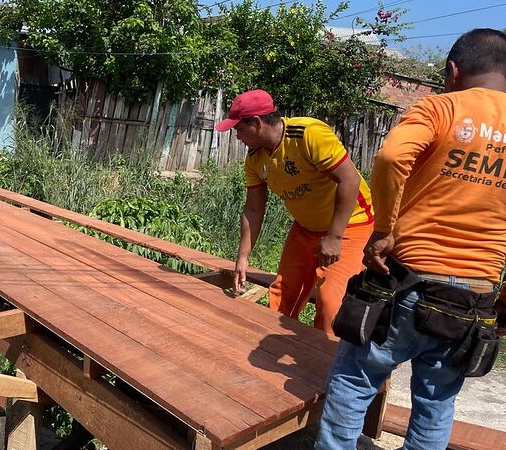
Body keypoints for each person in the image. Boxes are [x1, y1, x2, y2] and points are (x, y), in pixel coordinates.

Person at [316, 28, 506, 450]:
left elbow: (391, 156)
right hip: (473, 298)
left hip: (407, 282)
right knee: (436, 402)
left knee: (354, 380)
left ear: (452, 71)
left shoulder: (442, 108)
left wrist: (384, 230)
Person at [215, 89, 373, 334]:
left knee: (331, 301)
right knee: (282, 293)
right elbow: (254, 209)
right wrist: (243, 256)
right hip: (306, 227)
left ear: (256, 123)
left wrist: (334, 237)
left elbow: (349, 181)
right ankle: (271, 345)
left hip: (351, 224)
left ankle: (321, 363)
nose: (237, 137)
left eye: (239, 129)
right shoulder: (255, 159)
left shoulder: (308, 134)